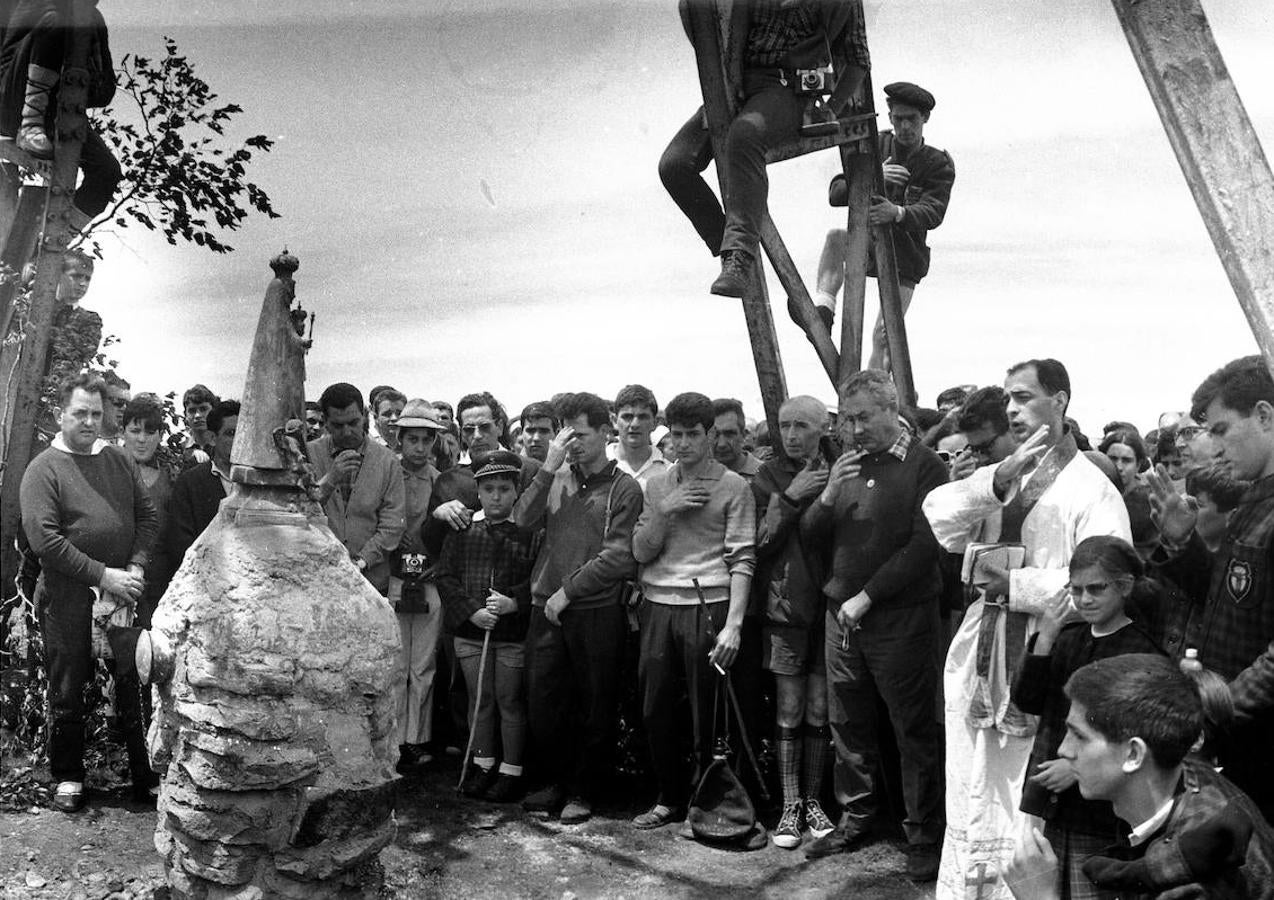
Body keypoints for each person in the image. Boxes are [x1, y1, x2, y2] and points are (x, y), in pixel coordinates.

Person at [923, 359, 1130, 900]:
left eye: (1025, 397)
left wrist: (1011, 583)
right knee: (972, 782)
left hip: (1047, 656)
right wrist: (996, 479)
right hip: (982, 650)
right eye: (1009, 400)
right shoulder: (1002, 476)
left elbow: (1100, 583)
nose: (1013, 410)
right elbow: (939, 518)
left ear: (1059, 401)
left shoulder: (1092, 487)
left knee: (1022, 798)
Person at [799, 369, 947, 881]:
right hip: (841, 615)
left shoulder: (925, 467)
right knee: (847, 721)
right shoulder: (845, 465)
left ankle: (923, 834)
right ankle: (856, 816)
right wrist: (825, 495)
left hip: (898, 616)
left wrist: (868, 595)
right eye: (846, 421)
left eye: (863, 418)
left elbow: (924, 546)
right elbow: (811, 537)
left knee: (911, 727)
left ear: (892, 410)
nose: (854, 430)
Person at [1005, 654, 1274, 900]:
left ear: (1134, 754)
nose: (1065, 750)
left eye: (1080, 736)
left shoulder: (1194, 883)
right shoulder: (1192, 781)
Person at [658, 0, 870, 297]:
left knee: (745, 136)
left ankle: (739, 256)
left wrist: (831, 108)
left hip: (785, 88)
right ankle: (726, 244)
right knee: (675, 166)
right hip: (734, 83)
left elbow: (858, 57)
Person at [19, 373, 158, 811]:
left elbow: (148, 518)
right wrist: (103, 575)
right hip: (68, 598)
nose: (89, 421)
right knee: (68, 686)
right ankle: (69, 778)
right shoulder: (43, 469)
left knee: (134, 683)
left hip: (123, 596)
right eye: (80, 413)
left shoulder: (118, 461)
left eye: (96, 414)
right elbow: (46, 542)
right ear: (62, 415)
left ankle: (146, 777)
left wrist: (133, 567)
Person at [1148, 355, 1274, 821]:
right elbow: (1227, 601)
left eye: (1221, 430)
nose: (1215, 447)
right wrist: (1184, 542)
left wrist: (1219, 708)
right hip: (1240, 737)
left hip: (1259, 736)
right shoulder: (1250, 507)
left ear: (1263, 414)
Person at [1010, 537, 1163, 898]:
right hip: (1054, 800)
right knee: (1048, 886)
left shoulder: (1140, 650)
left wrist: (1076, 767)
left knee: (1089, 889)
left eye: (1096, 589)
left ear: (1124, 587)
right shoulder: (1068, 638)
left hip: (1100, 809)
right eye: (1077, 590)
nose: (1085, 599)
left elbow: (1132, 734)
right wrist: (1045, 638)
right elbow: (1027, 699)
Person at [515, 392, 643, 824]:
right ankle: (553, 782)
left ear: (607, 432)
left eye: (582, 435)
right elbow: (521, 521)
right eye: (567, 435)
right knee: (545, 702)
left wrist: (566, 592)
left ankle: (584, 791)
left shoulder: (623, 487)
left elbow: (619, 556)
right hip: (544, 607)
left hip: (593, 610)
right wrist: (548, 469)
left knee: (594, 703)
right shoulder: (556, 476)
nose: (573, 444)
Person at [630, 392, 756, 829]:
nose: (682, 444)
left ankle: (707, 806)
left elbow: (742, 558)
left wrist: (734, 626)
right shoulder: (657, 485)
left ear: (709, 435)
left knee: (708, 713)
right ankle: (668, 798)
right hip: (658, 605)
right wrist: (664, 512)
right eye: (676, 435)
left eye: (692, 434)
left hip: (709, 605)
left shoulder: (734, 486)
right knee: (655, 707)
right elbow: (640, 551)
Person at [815, 81, 955, 370]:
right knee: (835, 238)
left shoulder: (937, 163)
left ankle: (874, 392)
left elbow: (934, 211)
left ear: (924, 119)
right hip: (869, 244)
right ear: (889, 117)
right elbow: (836, 193)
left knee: (885, 335)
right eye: (898, 118)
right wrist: (870, 176)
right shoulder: (873, 145)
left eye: (912, 119)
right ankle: (823, 309)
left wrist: (898, 212)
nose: (905, 127)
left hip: (905, 256)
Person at [751, 395, 835, 849]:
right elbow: (758, 542)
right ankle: (789, 805)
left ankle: (815, 800)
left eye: (802, 425)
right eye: (784, 426)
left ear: (824, 427)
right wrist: (790, 496)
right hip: (786, 609)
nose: (791, 435)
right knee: (788, 706)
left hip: (832, 607)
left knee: (820, 707)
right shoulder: (768, 476)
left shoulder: (841, 465)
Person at [435, 450, 539, 803]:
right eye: (489, 488)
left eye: (505, 489)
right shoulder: (463, 532)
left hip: (511, 635)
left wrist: (514, 603)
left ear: (517, 491)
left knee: (510, 699)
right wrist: (472, 612)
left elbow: (539, 578)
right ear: (477, 492)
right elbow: (446, 577)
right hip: (470, 633)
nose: (496, 496)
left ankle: (511, 770)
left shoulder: (528, 534)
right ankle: (482, 764)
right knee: (481, 699)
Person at [0, 0, 120, 230]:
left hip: (59, 109)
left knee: (107, 171)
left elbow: (106, 92)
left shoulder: (94, 20)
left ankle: (53, 241)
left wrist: (81, 82)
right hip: (11, 97)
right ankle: (29, 125)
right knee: (57, 20)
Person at [390, 399, 447, 774]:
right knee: (395, 660)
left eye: (427, 440)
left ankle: (417, 739)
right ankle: (392, 738)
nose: (420, 447)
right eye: (413, 439)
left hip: (429, 579)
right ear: (400, 438)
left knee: (422, 664)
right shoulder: (386, 473)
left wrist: (439, 565)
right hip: (393, 576)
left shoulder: (443, 480)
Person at [307, 382, 405, 598]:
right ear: (325, 422)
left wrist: (361, 561)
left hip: (371, 582)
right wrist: (330, 479)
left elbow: (392, 525)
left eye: (353, 422)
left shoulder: (387, 461)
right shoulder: (308, 456)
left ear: (365, 415)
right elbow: (300, 513)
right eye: (338, 425)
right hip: (319, 580)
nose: (347, 431)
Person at [609, 384, 669, 493]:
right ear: (614, 421)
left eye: (643, 417)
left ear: (654, 423)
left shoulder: (669, 473)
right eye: (627, 417)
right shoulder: (597, 465)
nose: (635, 424)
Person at [711, 397, 763, 481]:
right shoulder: (690, 477)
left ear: (743, 435)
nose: (722, 444)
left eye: (729, 434)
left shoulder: (767, 476)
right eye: (714, 435)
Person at [179, 384, 219, 467]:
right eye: (192, 411)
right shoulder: (179, 450)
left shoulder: (225, 446)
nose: (197, 415)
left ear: (214, 411)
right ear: (185, 415)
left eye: (203, 409)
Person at [370, 387, 407, 452]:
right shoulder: (370, 449)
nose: (394, 418)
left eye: (399, 413)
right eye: (387, 414)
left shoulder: (416, 448)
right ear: (376, 417)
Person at [99, 371, 129, 443]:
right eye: (119, 402)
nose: (124, 408)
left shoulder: (132, 448)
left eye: (128, 404)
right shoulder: (79, 444)